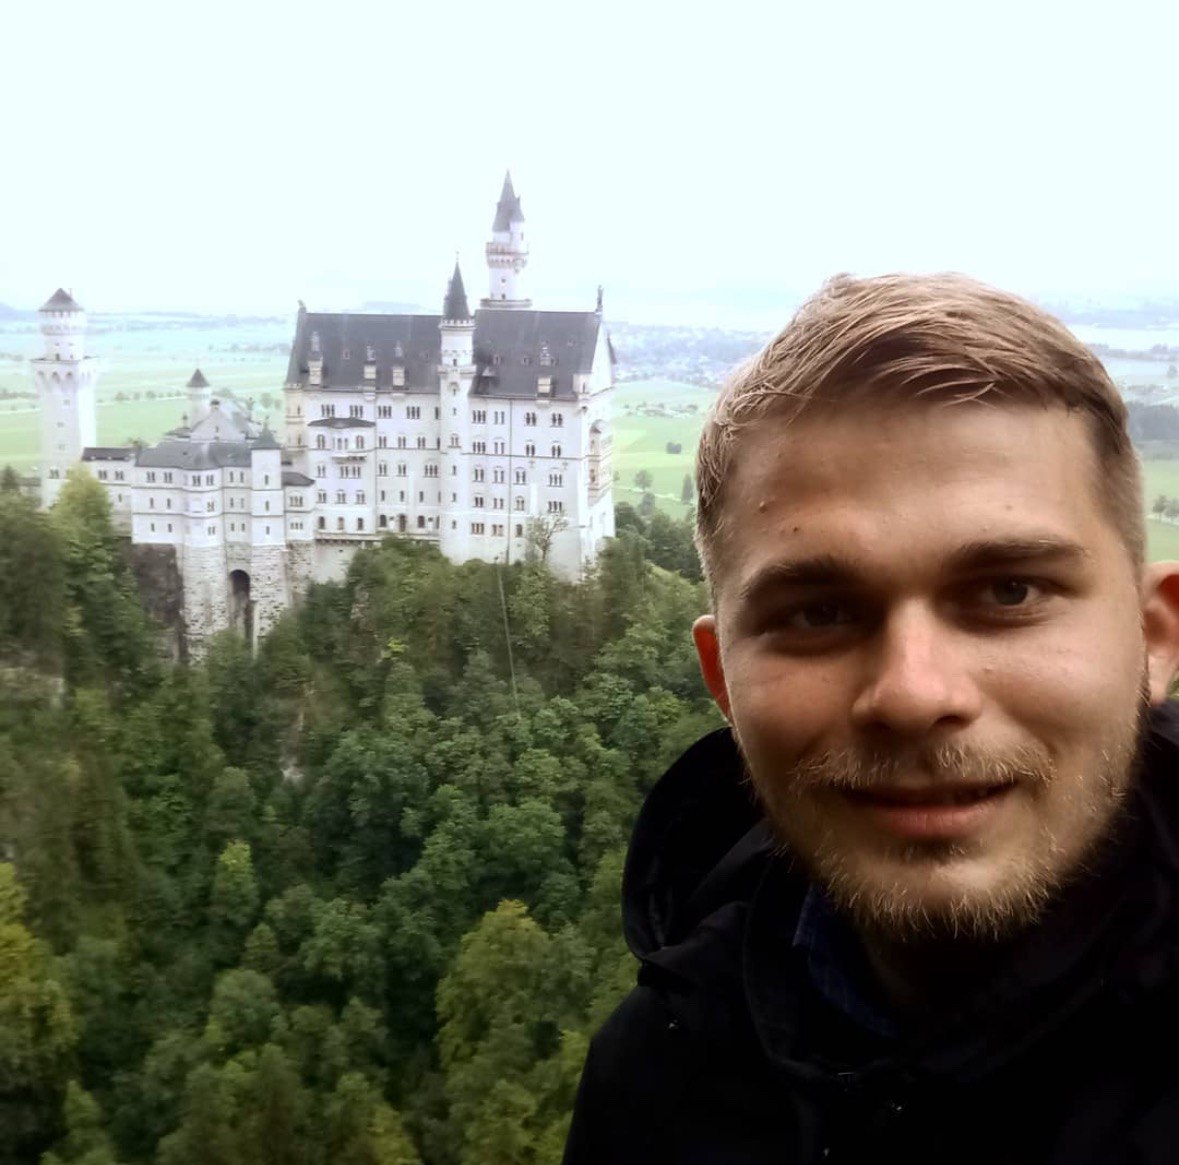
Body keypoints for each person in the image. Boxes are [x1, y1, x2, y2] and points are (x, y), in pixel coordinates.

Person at [563, 274, 1179, 1165]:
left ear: (1154, 638)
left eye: (1007, 592)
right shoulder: (659, 1082)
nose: (911, 692)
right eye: (817, 612)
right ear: (722, 681)